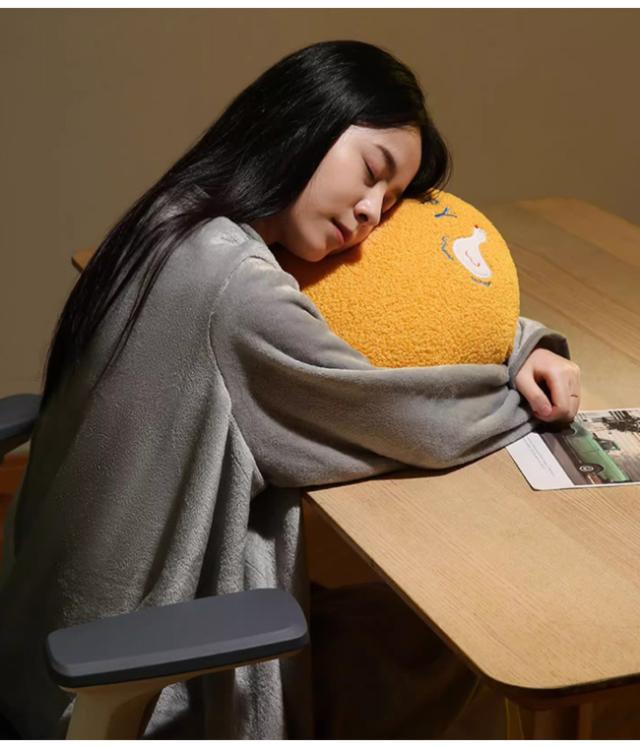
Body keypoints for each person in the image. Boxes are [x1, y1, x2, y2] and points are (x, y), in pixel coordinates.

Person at [0, 40, 580, 739]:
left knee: (409, 630)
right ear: (305, 121)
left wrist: (519, 340)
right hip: (155, 687)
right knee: (471, 647)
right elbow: (406, 419)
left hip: (43, 643)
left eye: (389, 201)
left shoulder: (175, 222)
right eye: (372, 172)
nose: (370, 213)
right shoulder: (233, 290)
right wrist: (519, 383)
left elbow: (364, 332)